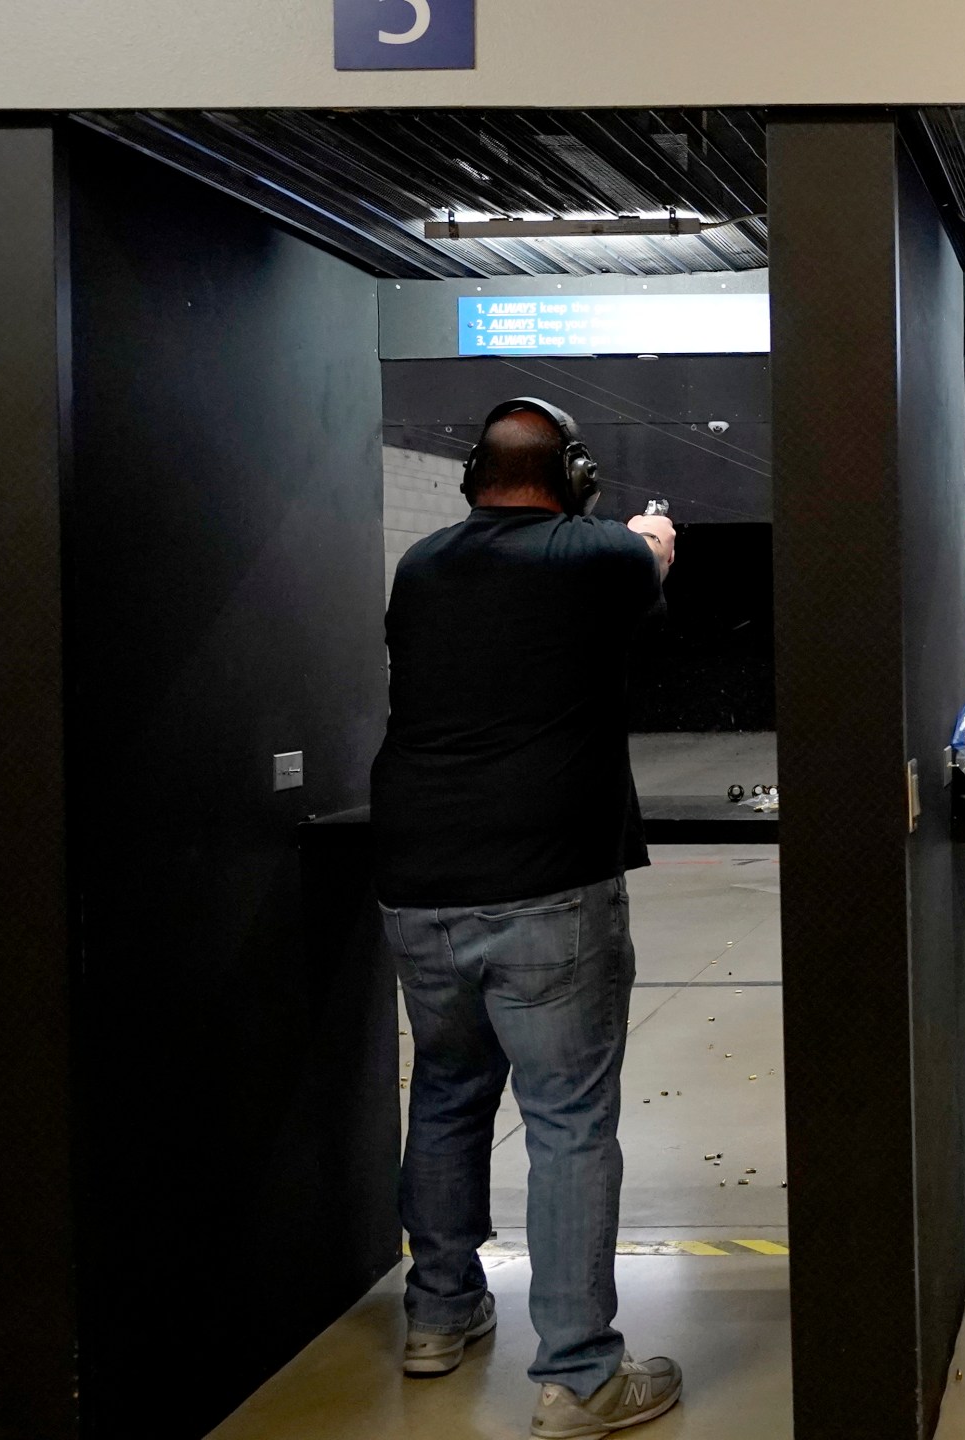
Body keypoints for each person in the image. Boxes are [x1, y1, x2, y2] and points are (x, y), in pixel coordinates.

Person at [369, 398, 686, 1437]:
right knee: (569, 1122)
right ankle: (582, 1373)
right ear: (576, 476)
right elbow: (643, 570)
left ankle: (439, 1315)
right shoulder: (596, 555)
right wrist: (651, 541)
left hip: (419, 880)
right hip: (548, 880)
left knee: (450, 1094)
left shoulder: (421, 564)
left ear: (473, 477)